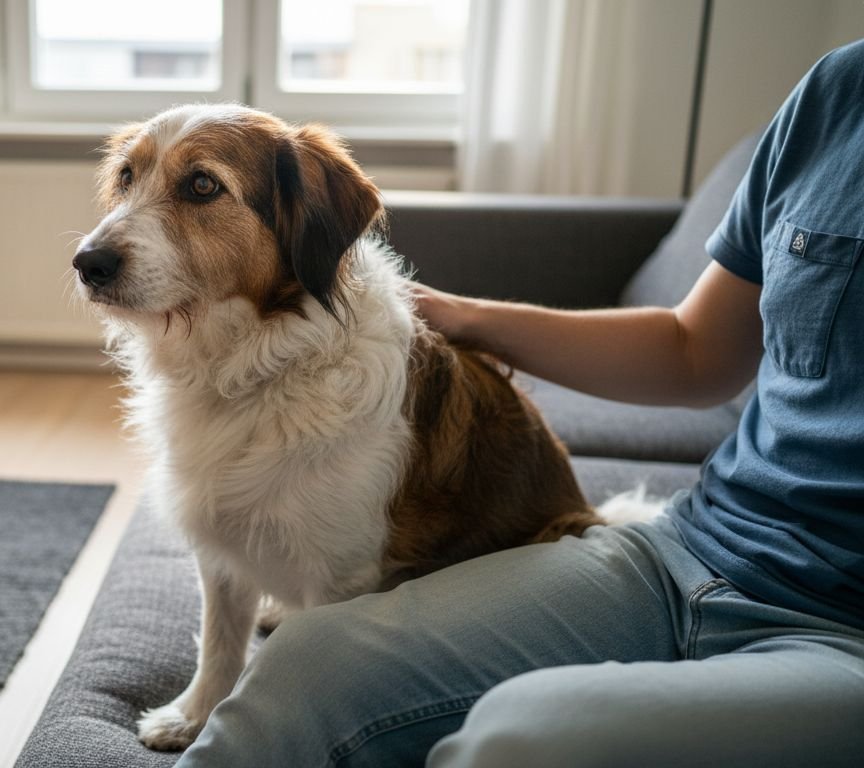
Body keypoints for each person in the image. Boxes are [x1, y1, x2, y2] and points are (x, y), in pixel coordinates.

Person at [174, 40, 864, 768]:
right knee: (308, 663)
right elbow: (693, 351)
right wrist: (465, 316)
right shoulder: (835, 92)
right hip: (686, 555)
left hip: (837, 630)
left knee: (523, 737)